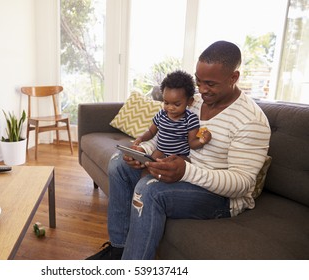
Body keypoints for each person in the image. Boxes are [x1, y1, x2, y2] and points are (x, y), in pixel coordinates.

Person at [86, 40, 271, 260]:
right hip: (183, 171)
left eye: (210, 84)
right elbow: (165, 134)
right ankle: (119, 248)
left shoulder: (251, 120)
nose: (202, 90)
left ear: (234, 77)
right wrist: (142, 151)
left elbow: (242, 183)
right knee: (119, 161)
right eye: (199, 81)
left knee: (149, 190)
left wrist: (185, 171)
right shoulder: (193, 102)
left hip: (219, 196)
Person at [133, 70, 212, 162]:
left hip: (179, 156)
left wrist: (202, 141)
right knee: (151, 164)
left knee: (181, 163)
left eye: (177, 104)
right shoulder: (161, 114)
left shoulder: (190, 119)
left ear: (189, 101)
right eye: (166, 103)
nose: (170, 108)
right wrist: (141, 138)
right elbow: (151, 132)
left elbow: (192, 143)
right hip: (160, 152)